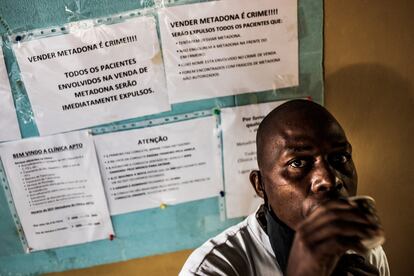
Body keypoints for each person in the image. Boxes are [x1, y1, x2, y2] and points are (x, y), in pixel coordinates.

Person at [180, 100, 389, 276]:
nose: (328, 179)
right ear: (260, 185)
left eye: (340, 157)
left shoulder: (366, 250)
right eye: (297, 163)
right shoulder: (213, 268)